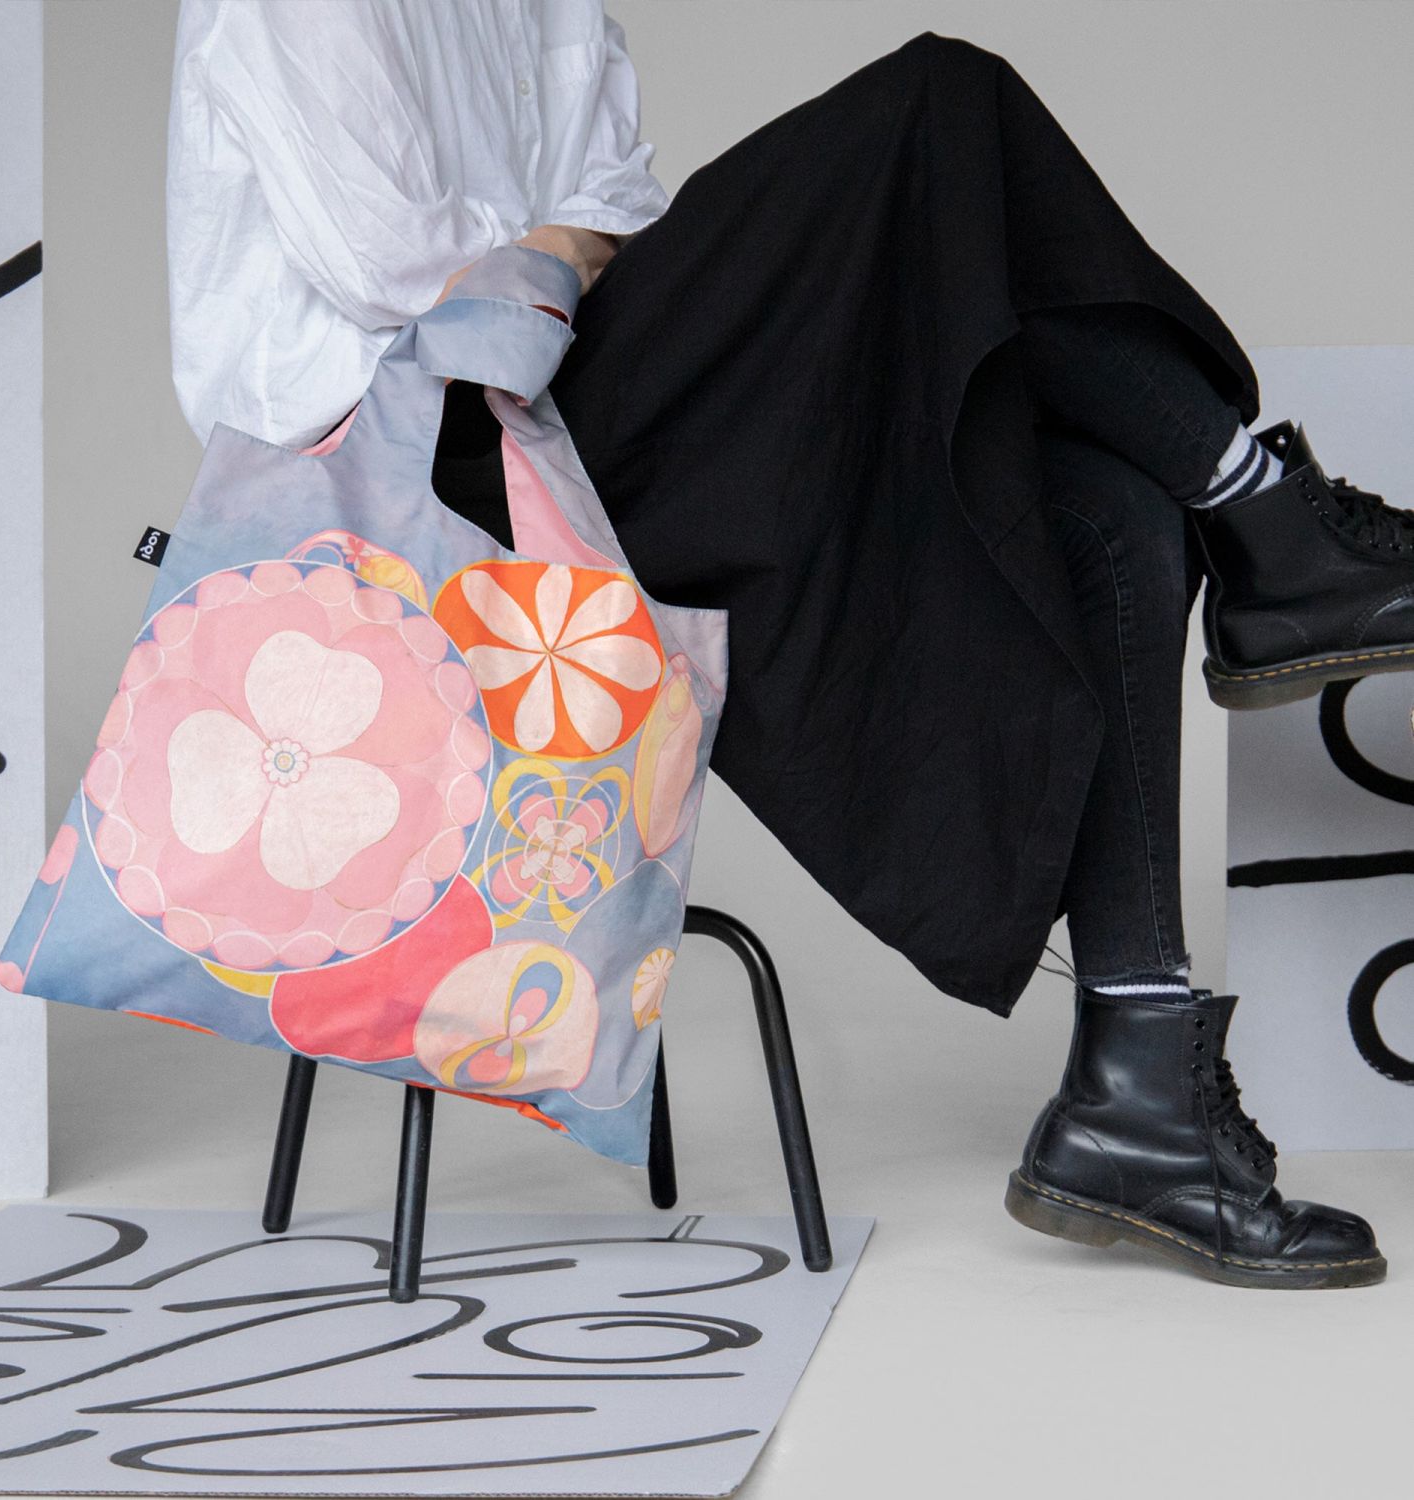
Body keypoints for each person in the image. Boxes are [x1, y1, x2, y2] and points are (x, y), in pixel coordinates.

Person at [167, 1, 1408, 1288]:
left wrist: (564, 250)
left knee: (1101, 498)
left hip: (554, 395)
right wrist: (567, 249)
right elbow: (410, 274)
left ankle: (1137, 1089)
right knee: (938, 110)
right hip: (399, 474)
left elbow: (614, 201)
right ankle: (1268, 520)